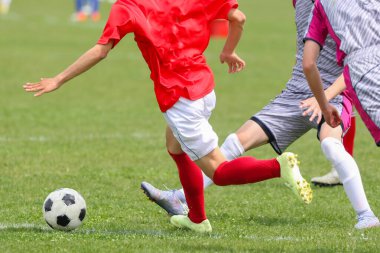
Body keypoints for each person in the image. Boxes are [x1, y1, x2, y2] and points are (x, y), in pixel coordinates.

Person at [23, 0, 313, 233]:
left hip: (179, 99)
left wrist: (58, 79)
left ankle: (278, 167)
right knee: (175, 147)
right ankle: (197, 219)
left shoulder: (128, 6)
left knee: (218, 172)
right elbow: (239, 18)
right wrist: (228, 51)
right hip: (204, 87)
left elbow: (101, 51)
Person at [141, 0, 376, 229]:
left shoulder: (351, 9)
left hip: (332, 96)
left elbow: (361, 62)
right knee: (237, 141)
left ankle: (366, 216)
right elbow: (306, 63)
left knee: (331, 146)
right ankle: (181, 196)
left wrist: (323, 98)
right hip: (295, 93)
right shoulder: (308, 5)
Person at [303, 0, 380, 228]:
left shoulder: (320, 5)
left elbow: (309, 64)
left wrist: (324, 101)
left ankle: (366, 217)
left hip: (363, 69)